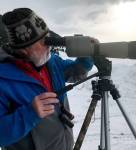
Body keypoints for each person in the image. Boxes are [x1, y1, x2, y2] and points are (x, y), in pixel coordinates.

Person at [0, 8, 93, 150]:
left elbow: (76, 72)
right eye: (44, 41)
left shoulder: (51, 62)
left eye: (49, 37)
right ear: (25, 49)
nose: (50, 44)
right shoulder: (3, 80)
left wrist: (86, 55)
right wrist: (29, 114)